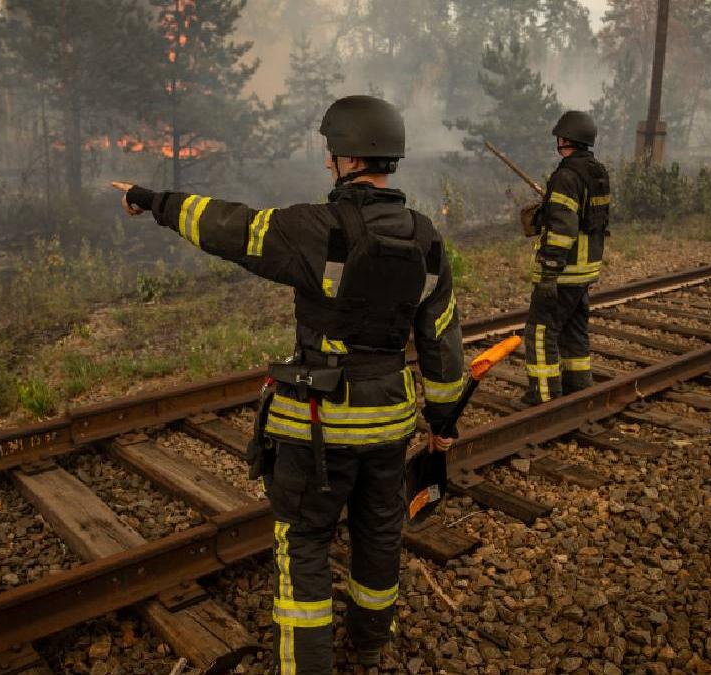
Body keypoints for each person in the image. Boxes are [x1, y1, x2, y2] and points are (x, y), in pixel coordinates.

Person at [113, 94, 464, 674]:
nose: (328, 162)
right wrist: (443, 425)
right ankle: (370, 644)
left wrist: (154, 201)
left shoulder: (313, 228)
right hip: (389, 427)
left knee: (304, 544)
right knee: (380, 534)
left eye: (332, 153)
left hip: (318, 429)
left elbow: (228, 227)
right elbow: (442, 342)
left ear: (350, 158)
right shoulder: (426, 239)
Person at [517, 110, 611, 407]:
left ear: (565, 139)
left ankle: (543, 396)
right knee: (573, 331)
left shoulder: (566, 176)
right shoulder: (597, 173)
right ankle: (578, 386)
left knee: (540, 332)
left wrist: (549, 271)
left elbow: (563, 229)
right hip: (586, 269)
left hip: (565, 270)